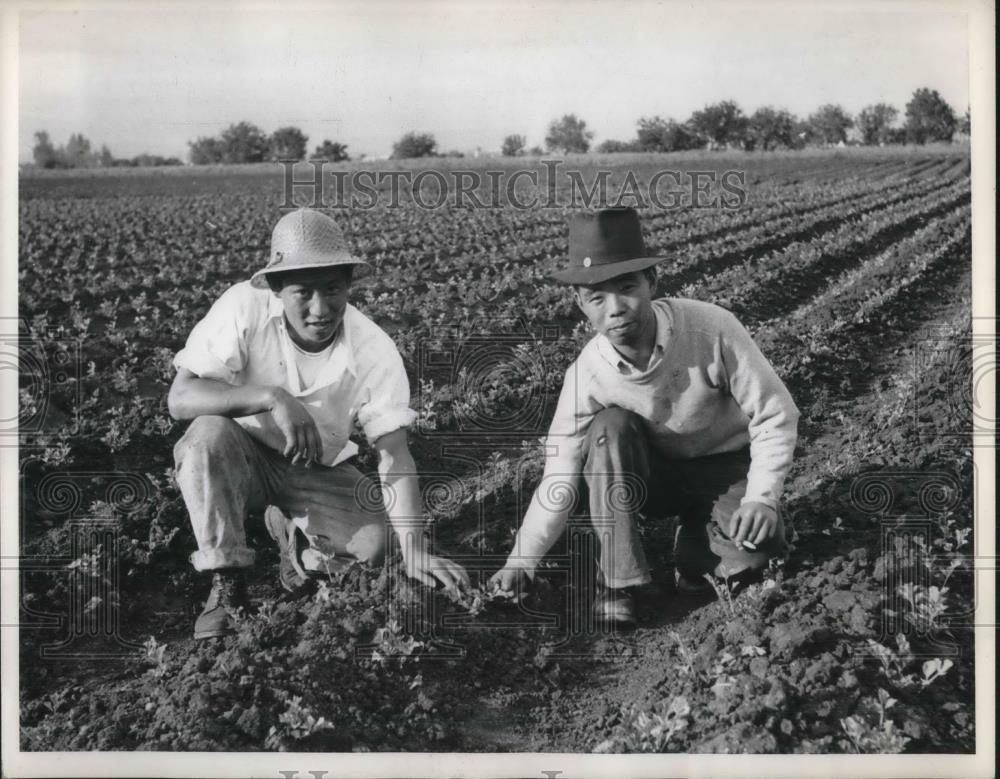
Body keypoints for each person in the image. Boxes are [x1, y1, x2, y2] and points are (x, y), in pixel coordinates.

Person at [490, 206, 799, 626]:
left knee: (758, 554)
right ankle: (618, 581)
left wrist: (761, 498)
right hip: (651, 479)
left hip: (725, 469)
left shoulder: (711, 328)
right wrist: (521, 561)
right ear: (580, 304)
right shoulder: (587, 375)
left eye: (627, 287)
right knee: (608, 430)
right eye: (596, 297)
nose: (615, 308)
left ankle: (694, 549)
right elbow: (559, 475)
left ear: (652, 282)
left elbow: (775, 415)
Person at [168, 207, 468, 640]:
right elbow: (181, 398)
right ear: (275, 288)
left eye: (332, 290)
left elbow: (395, 455)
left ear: (348, 284)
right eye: (302, 293)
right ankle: (227, 587)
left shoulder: (373, 348)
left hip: (315, 468)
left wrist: (415, 549)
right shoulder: (242, 308)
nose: (320, 308)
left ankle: (295, 543)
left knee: (377, 550)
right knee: (204, 437)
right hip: (241, 457)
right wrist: (272, 397)